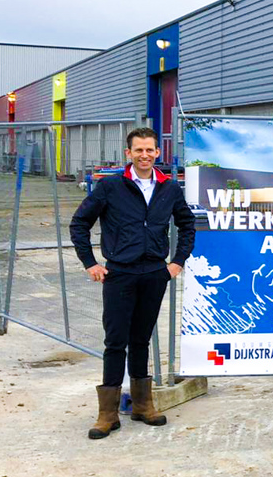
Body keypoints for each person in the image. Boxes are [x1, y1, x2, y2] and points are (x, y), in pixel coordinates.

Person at [70, 126, 195, 440]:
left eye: (150, 150)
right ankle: (107, 414)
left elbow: (187, 224)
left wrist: (178, 261)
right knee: (115, 341)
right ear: (128, 153)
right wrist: (90, 263)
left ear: (157, 152)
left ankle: (142, 405)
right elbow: (80, 222)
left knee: (141, 339)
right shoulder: (111, 186)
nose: (144, 155)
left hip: (154, 273)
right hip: (120, 273)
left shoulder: (169, 188)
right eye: (138, 150)